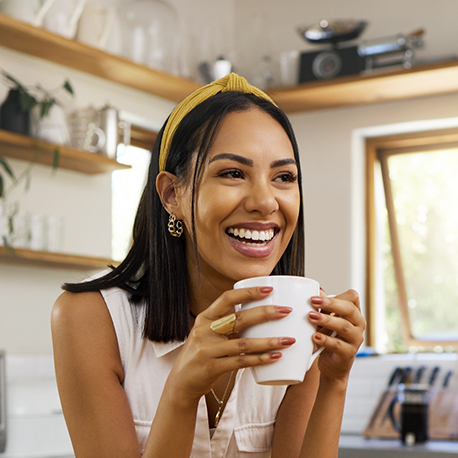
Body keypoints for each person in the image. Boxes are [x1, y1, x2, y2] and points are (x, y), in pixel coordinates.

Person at [51, 73, 365, 458]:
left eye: (283, 177)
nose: (266, 202)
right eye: (233, 173)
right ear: (171, 195)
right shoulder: (90, 319)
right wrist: (182, 391)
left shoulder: (299, 321)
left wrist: (335, 382)